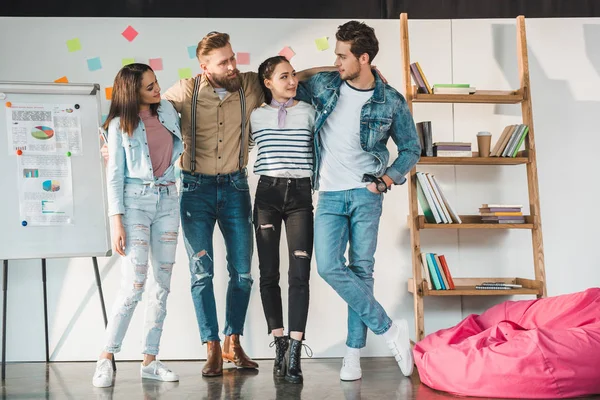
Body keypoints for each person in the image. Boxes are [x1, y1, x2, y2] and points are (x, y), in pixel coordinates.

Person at [162, 32, 327, 377]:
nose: (233, 66)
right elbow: (147, 108)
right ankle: (211, 347)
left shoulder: (251, 84)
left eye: (233, 58)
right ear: (204, 66)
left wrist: (344, 69)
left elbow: (300, 75)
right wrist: (110, 136)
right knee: (201, 273)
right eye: (224, 62)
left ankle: (232, 341)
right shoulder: (184, 91)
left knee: (242, 273)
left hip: (236, 187)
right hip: (195, 189)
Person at [295, 21, 421, 381]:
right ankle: (388, 329)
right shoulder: (324, 85)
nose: (335, 61)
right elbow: (292, 78)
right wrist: (328, 65)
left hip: (367, 194)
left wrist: (385, 181)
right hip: (331, 193)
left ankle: (353, 354)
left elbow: (412, 148)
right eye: (335, 54)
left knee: (361, 271)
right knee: (329, 266)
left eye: (342, 55)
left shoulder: (391, 100)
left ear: (363, 58)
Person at [93, 63, 183, 388]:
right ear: (133, 92)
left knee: (162, 285)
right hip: (135, 203)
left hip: (169, 200)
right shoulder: (119, 126)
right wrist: (116, 222)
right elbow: (114, 175)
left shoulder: (168, 111)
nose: (157, 90)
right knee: (134, 286)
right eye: (149, 87)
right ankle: (106, 357)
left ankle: (150, 360)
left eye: (156, 83)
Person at [251, 55, 315, 384]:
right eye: (283, 76)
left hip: (301, 196)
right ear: (267, 82)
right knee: (269, 273)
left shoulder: (308, 111)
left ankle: (295, 350)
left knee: (300, 275)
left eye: (293, 75)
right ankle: (278, 343)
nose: (291, 81)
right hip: (267, 195)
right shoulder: (255, 116)